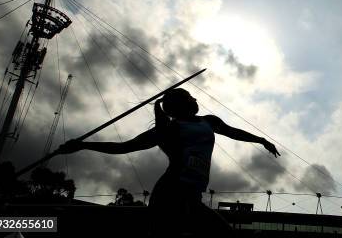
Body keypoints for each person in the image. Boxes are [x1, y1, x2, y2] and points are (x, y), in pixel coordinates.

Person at [57, 88, 280, 236]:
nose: (195, 99)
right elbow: (125, 147)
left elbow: (233, 132)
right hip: (172, 192)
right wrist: (84, 145)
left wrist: (260, 139)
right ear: (181, 105)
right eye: (190, 97)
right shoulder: (167, 130)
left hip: (191, 194)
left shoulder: (209, 121)